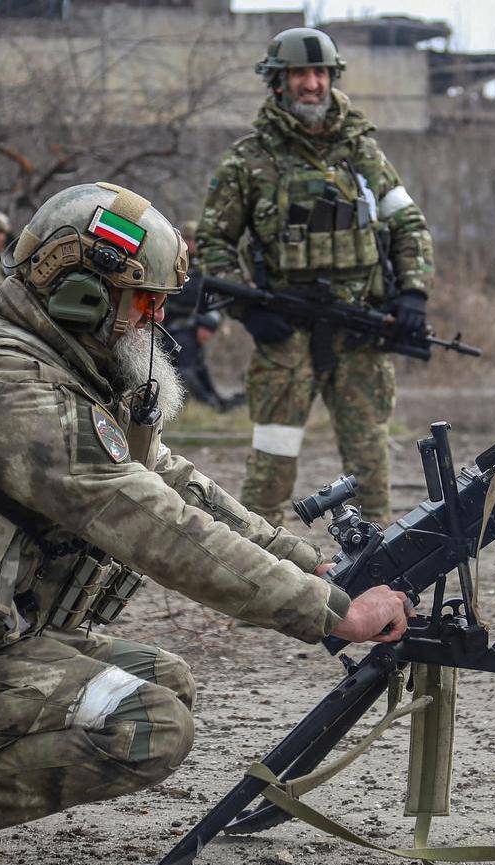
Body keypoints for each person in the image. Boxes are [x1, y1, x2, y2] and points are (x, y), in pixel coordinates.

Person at [0, 182, 415, 865]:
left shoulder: (56, 361)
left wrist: (315, 565)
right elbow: (157, 526)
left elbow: (171, 481)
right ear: (80, 294)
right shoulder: (10, 391)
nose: (156, 317)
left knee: (167, 679)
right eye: (143, 299)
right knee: (148, 726)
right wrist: (330, 612)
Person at [196, 27, 434, 526]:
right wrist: (249, 310)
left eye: (320, 72)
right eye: (300, 73)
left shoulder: (362, 152)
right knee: (270, 471)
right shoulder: (248, 160)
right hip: (286, 336)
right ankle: (255, 577)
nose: (312, 83)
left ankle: (382, 582)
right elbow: (211, 245)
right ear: (277, 82)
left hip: (359, 331)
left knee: (370, 466)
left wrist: (413, 293)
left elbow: (407, 222)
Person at [161, 223, 245, 412]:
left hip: (194, 326)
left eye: (193, 239)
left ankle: (210, 404)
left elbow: (217, 300)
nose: (190, 244)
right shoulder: (175, 262)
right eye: (187, 239)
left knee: (188, 366)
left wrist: (207, 325)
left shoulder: (208, 268)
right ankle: (211, 402)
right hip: (171, 326)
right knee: (184, 364)